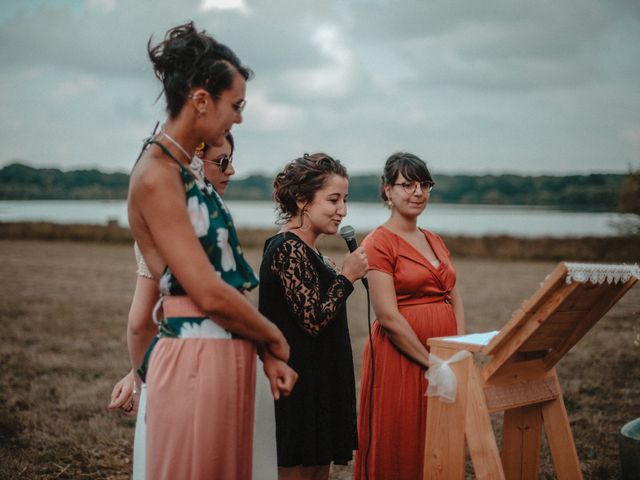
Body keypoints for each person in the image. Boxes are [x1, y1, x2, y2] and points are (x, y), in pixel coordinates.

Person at [125, 22, 294, 479]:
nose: (239, 118)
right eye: (235, 105)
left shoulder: (187, 175)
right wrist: (274, 339)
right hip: (195, 357)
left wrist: (258, 351)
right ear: (201, 99)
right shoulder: (157, 174)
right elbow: (205, 288)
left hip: (225, 356)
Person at [353, 152, 466, 480]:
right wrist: (430, 362)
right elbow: (387, 315)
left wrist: (456, 351)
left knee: (439, 439)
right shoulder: (378, 242)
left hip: (443, 356)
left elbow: (454, 297)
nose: (418, 192)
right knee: (402, 439)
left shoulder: (434, 239)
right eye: (407, 185)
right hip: (402, 358)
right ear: (388, 190)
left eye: (424, 184)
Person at [259, 153, 369, 480]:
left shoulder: (309, 250)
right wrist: (346, 278)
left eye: (345, 200)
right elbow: (313, 319)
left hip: (321, 384)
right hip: (299, 390)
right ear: (303, 201)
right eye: (333, 199)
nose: (343, 210)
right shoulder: (286, 249)